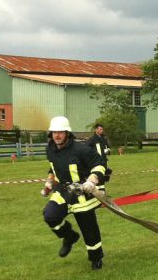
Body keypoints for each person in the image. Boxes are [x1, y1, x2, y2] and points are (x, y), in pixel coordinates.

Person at [42, 115, 107, 270]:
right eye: (54, 132)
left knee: (89, 228)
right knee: (50, 215)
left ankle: (96, 258)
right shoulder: (50, 149)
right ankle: (69, 236)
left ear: (67, 133)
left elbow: (100, 164)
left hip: (83, 193)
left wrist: (92, 181)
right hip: (62, 192)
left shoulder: (81, 149)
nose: (57, 135)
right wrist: (49, 183)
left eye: (61, 132)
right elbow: (53, 167)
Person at [86, 123, 111, 191]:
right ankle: (96, 193)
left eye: (102, 129)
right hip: (96, 162)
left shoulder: (104, 139)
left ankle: (102, 192)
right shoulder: (92, 139)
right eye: (100, 129)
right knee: (97, 176)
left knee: (103, 177)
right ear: (96, 130)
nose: (102, 131)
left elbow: (108, 147)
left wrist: (107, 150)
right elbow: (86, 149)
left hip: (104, 161)